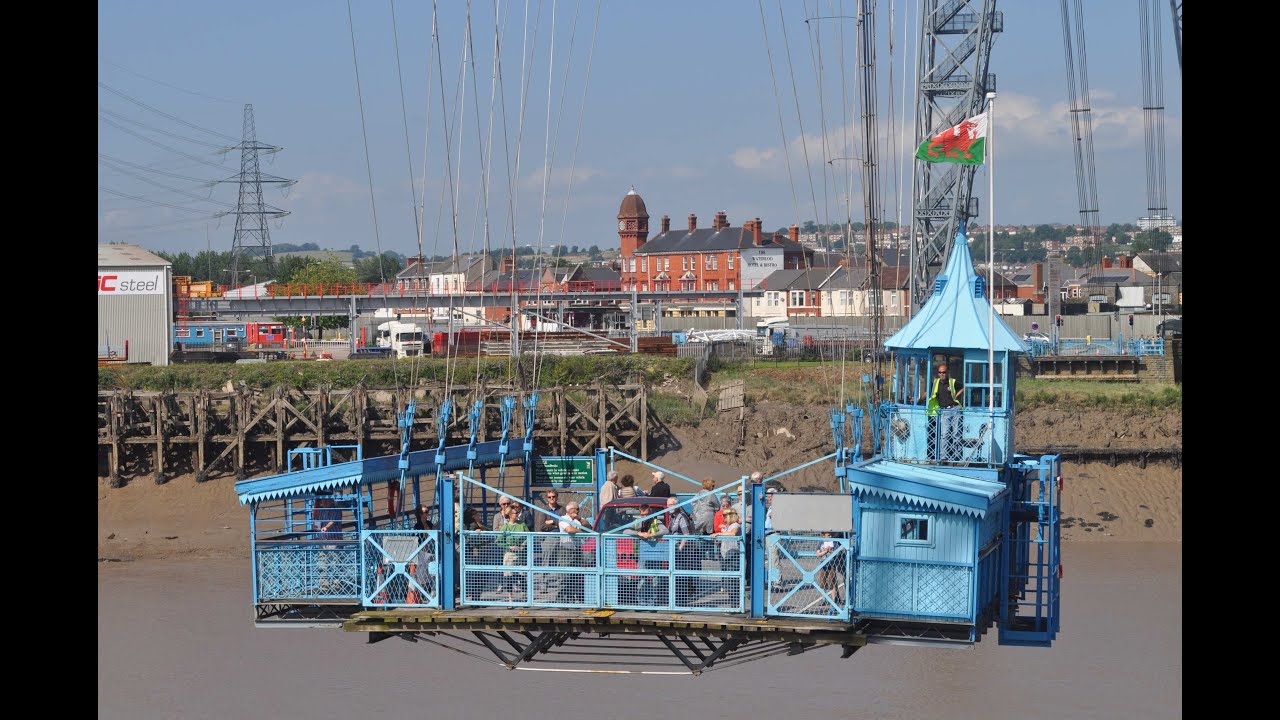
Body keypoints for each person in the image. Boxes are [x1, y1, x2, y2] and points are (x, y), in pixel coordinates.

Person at [926, 363, 963, 462]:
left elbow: (964, 387)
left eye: (944, 372)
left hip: (955, 409)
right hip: (944, 410)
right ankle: (943, 457)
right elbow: (928, 393)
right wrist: (918, 399)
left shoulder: (952, 382)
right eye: (940, 372)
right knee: (945, 434)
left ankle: (957, 456)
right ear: (938, 374)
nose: (942, 374)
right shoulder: (935, 383)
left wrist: (956, 396)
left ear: (947, 373)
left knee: (956, 434)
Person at [496, 504, 529, 606]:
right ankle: (510, 599)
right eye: (515, 513)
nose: (517, 514)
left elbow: (529, 536)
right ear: (510, 514)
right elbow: (498, 541)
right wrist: (509, 547)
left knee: (522, 575)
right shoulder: (505, 526)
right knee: (509, 577)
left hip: (521, 554)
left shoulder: (522, 524)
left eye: (518, 513)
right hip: (510, 555)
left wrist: (523, 544)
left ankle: (525, 598)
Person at [666, 497, 696, 606]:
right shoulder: (672, 517)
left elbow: (686, 534)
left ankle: (681, 601)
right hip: (673, 549)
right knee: (675, 575)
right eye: (668, 505)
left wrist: (680, 548)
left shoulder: (681, 517)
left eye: (670, 505)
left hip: (680, 551)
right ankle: (676, 600)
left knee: (680, 575)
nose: (668, 507)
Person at [556, 502, 588, 603]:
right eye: (577, 509)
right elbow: (569, 529)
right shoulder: (563, 519)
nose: (578, 511)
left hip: (577, 549)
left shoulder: (578, 519)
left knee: (575, 575)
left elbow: (588, 526)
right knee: (565, 575)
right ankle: (561, 598)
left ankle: (572, 598)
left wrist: (579, 519)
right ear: (571, 510)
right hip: (566, 549)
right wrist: (581, 531)